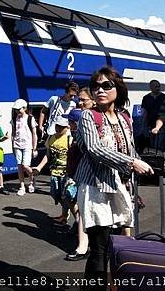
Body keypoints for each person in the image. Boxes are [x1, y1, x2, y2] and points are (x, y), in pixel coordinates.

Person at [74, 67, 153, 284]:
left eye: (106, 85)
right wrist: (132, 162)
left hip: (120, 186)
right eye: (95, 86)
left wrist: (141, 162)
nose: (99, 90)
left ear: (117, 89)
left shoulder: (124, 118)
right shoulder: (88, 116)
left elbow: (129, 149)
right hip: (95, 187)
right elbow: (94, 149)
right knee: (99, 248)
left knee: (117, 244)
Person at [62, 109, 89, 261]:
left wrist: (73, 176)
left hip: (79, 177)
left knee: (76, 202)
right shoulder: (74, 136)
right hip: (74, 175)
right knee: (71, 199)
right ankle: (79, 224)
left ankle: (83, 244)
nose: (68, 124)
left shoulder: (81, 138)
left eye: (70, 122)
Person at [11, 99, 38, 196]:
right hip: (17, 145)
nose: (17, 111)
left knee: (25, 165)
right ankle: (22, 186)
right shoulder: (14, 119)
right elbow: (13, 133)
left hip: (27, 145)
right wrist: (12, 144)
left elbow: (34, 134)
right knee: (19, 166)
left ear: (25, 108)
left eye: (19, 109)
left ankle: (32, 178)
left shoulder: (30, 118)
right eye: (16, 109)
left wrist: (34, 147)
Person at [140, 80, 165, 153]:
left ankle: (159, 158)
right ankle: (154, 159)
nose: (158, 88)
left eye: (159, 86)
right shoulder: (146, 98)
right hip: (150, 124)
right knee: (152, 143)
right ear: (151, 87)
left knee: (159, 144)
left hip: (162, 124)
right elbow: (145, 111)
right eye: (156, 86)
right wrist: (143, 124)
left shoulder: (164, 97)